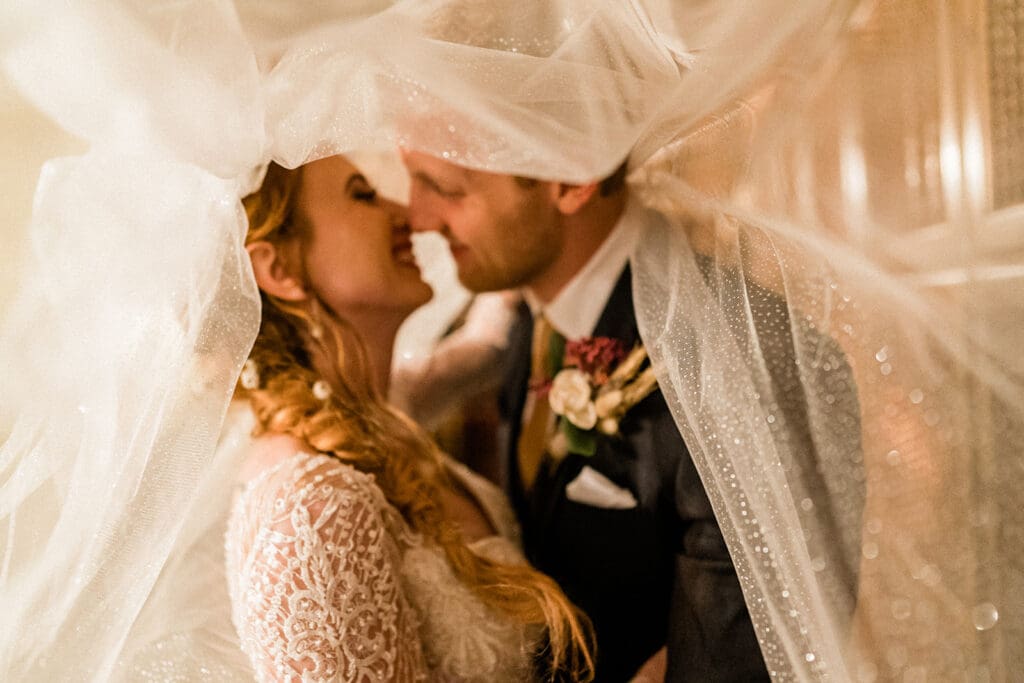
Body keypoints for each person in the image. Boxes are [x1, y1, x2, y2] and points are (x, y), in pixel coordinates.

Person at [399, 151, 772, 681]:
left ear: (571, 179)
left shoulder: (737, 358)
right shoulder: (530, 322)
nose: (418, 219)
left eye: (448, 188)